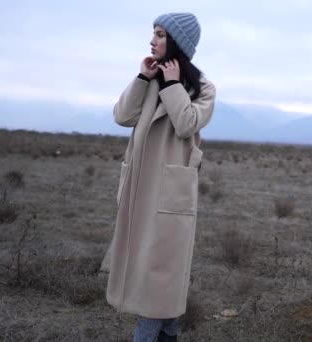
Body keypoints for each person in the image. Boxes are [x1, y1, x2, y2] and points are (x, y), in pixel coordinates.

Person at [106, 12, 215, 342]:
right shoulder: (149, 79)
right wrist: (142, 78)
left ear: (177, 42)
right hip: (140, 187)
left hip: (169, 194)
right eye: (153, 33)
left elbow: (185, 123)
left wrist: (171, 84)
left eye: (159, 34)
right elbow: (122, 116)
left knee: (159, 280)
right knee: (153, 280)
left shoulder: (203, 88)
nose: (152, 41)